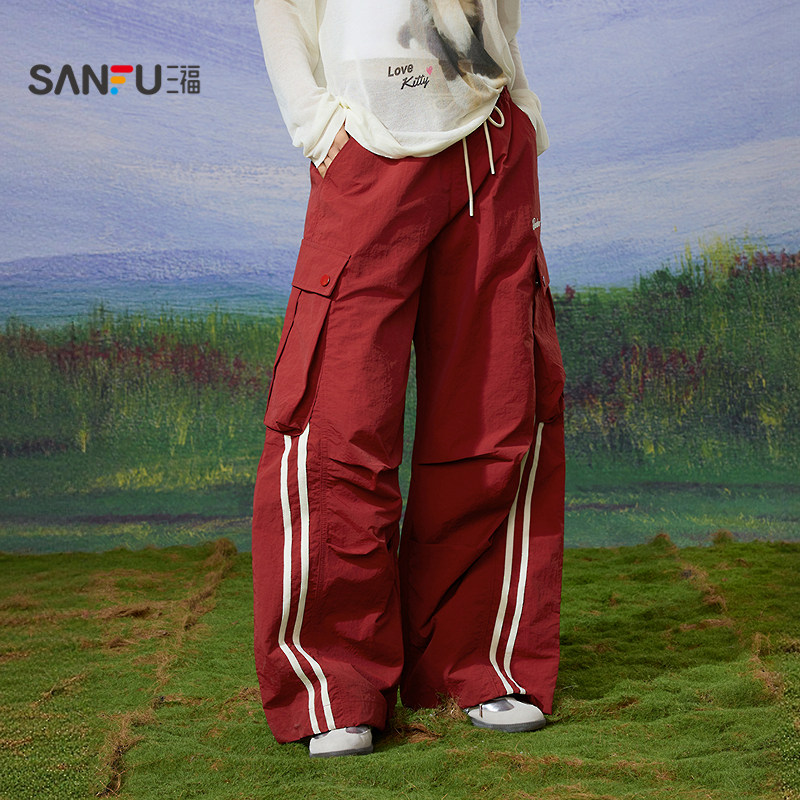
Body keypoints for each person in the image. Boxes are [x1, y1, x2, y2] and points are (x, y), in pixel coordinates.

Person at [251, 0, 566, 758]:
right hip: (366, 143)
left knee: (497, 408)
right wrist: (314, 122)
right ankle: (335, 682)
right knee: (336, 417)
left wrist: (520, 102)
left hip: (489, 140)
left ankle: (478, 663)